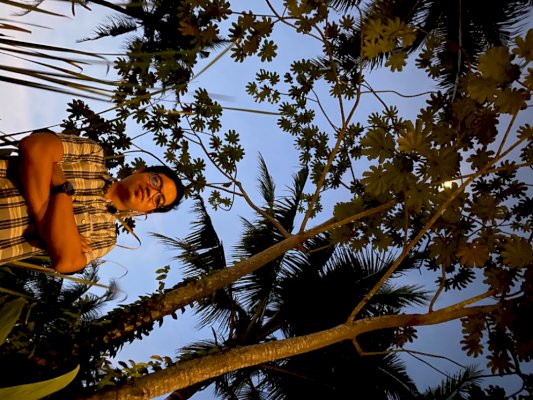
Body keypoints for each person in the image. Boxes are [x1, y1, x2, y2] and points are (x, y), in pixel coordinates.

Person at [0, 130, 184, 273]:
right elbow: (36, 146)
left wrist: (61, 188)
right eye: (155, 181)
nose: (151, 192)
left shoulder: (106, 236)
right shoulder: (93, 155)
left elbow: (67, 262)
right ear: (141, 171)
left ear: (148, 211)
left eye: (158, 199)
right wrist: (49, 230)